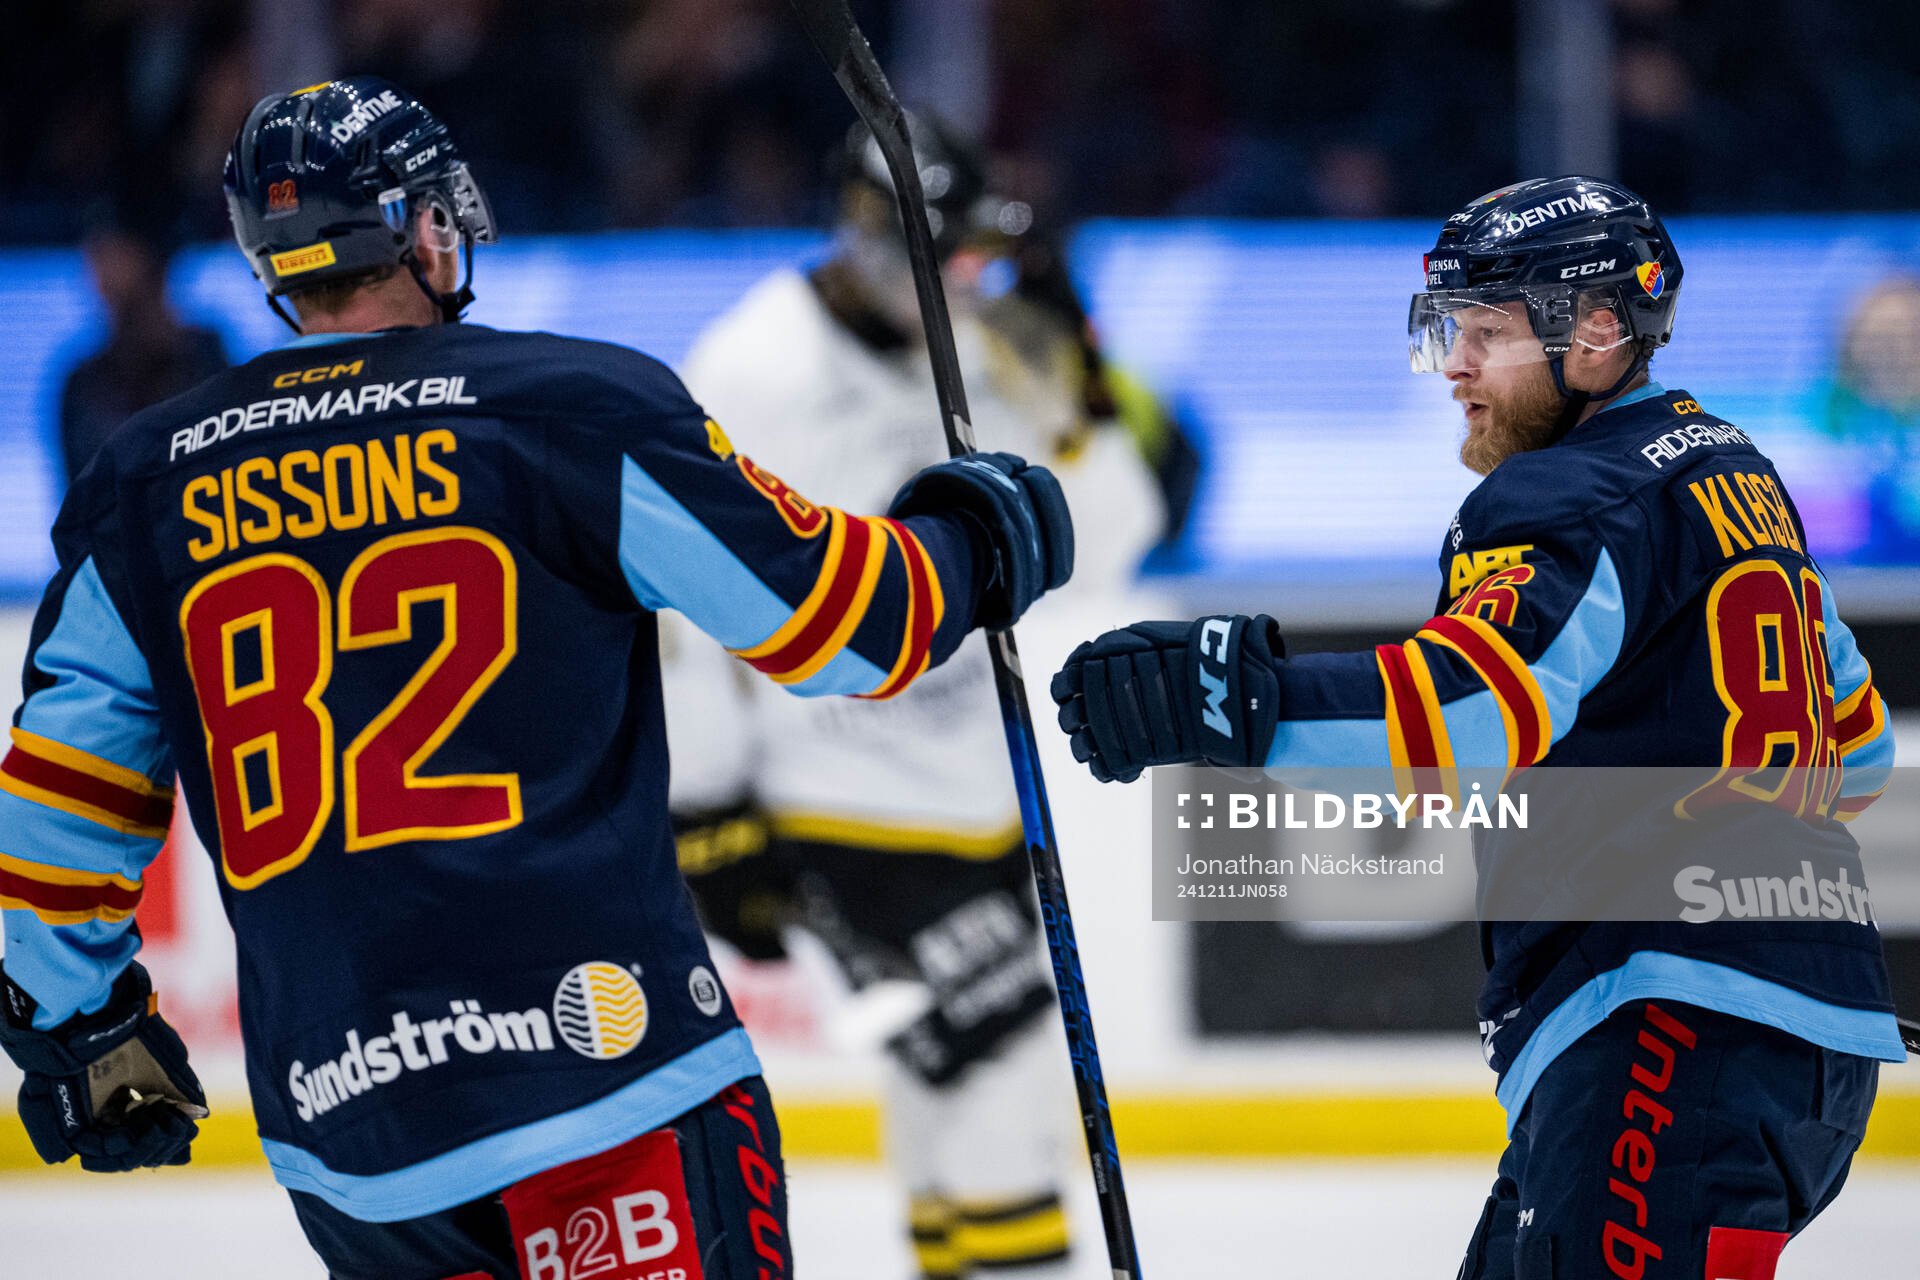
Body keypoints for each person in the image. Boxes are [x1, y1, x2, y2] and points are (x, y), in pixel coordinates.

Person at [0, 77, 1072, 1280]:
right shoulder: (569, 407)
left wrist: (71, 1020)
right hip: (610, 1082)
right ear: (422, 226)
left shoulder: (142, 481)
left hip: (356, 1143)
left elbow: (56, 804)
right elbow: (849, 627)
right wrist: (973, 539)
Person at [1048, 177, 1905, 1279]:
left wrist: (1231, 700)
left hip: (1666, 1024)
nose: (1454, 364)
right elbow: (1860, 742)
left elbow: (1478, 703)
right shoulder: (1734, 470)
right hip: (1807, 1039)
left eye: (1487, 332)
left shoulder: (1561, 492)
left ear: (1597, 332)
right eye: (1451, 329)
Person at [661, 114, 1165, 1280]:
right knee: (996, 1086)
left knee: (960, 1090)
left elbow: (1112, 538)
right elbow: (686, 608)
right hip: (835, 794)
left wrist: (1075, 377)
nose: (962, 282)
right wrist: (708, 812)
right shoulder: (752, 367)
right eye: (938, 258)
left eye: (972, 258)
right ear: (863, 238)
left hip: (977, 791)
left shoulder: (985, 339)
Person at [57, 220, 228, 487]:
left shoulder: (208, 362)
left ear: (149, 260)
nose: (99, 276)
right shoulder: (82, 385)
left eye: (112, 254)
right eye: (95, 259)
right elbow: (79, 505)